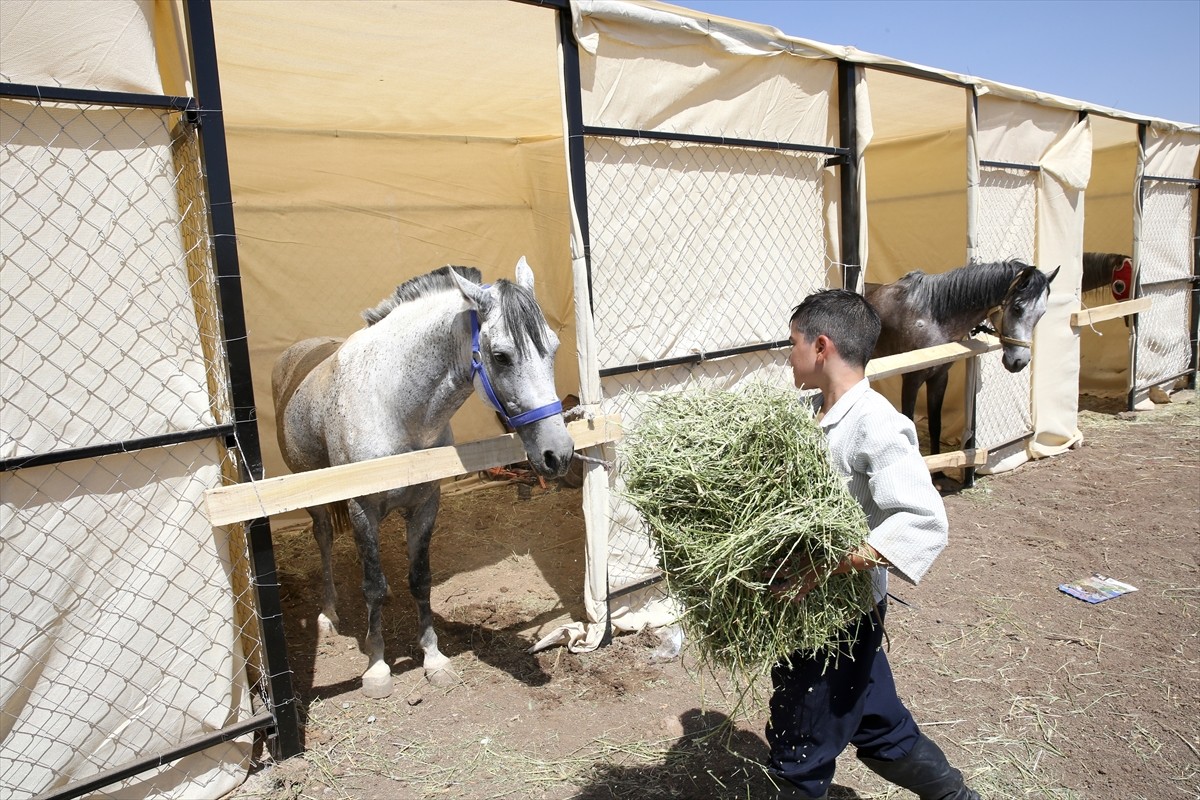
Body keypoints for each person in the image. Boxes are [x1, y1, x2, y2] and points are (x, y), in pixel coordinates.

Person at [766, 288, 981, 800]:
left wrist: (830, 567)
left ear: (821, 346)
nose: (787, 354)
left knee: (799, 748)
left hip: (837, 617)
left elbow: (923, 519)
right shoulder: (810, 415)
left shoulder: (877, 423)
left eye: (792, 342)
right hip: (810, 609)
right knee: (880, 727)